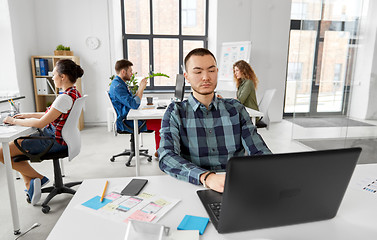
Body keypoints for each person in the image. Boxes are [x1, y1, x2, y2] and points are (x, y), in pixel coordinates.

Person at [158, 48, 271, 193]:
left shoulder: (235, 109)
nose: (206, 77)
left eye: (211, 70)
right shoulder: (176, 112)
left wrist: (271, 170)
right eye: (198, 72)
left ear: (217, 71)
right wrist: (207, 177)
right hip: (194, 185)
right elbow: (166, 156)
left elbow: (259, 150)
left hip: (234, 186)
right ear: (186, 76)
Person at [0, 59, 83, 205]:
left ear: (62, 76)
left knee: (3, 152)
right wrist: (26, 115)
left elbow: (41, 123)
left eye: (54, 74)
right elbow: (49, 114)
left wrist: (13, 121)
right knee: (17, 149)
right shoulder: (73, 93)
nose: (52, 77)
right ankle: (30, 185)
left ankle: (37, 178)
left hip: (54, 141)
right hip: (62, 138)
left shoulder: (64, 98)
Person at [109, 59, 161, 156]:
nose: (132, 74)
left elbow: (131, 100)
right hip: (126, 121)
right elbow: (134, 105)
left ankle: (159, 151)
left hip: (128, 116)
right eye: (130, 71)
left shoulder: (119, 83)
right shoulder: (118, 87)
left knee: (157, 120)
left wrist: (140, 89)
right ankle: (160, 153)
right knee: (160, 123)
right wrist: (141, 89)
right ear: (123, 72)